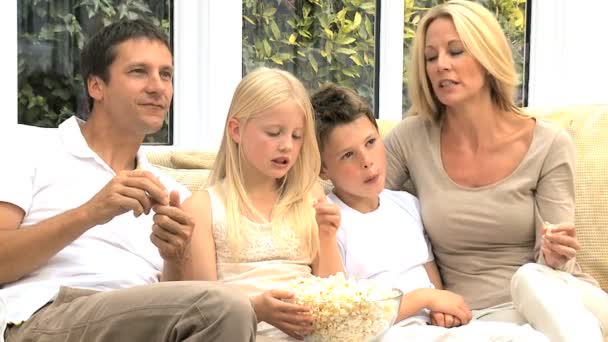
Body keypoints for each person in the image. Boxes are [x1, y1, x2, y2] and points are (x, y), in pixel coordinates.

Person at [0, 19, 257, 342]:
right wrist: (91, 212)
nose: (158, 87)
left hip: (141, 320)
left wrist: (174, 257)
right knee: (227, 304)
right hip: (48, 316)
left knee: (222, 307)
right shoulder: (30, 148)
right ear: (96, 86)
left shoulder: (170, 193)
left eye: (166, 74)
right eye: (139, 72)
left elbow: (180, 306)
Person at [383, 1, 608, 341]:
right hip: (481, 319)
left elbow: (556, 265)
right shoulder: (411, 139)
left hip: (559, 300)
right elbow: (355, 199)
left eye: (456, 51)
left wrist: (553, 254)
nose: (441, 65)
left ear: (488, 58)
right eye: (431, 57)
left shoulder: (548, 143)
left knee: (529, 279)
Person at [311, 82, 549, 341]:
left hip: (431, 329)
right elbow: (338, 315)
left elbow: (432, 279)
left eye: (370, 142)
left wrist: (441, 309)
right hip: (385, 334)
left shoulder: (406, 204)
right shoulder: (329, 220)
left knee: (529, 337)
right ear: (323, 169)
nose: (366, 161)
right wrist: (426, 298)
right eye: (347, 155)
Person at [180, 67, 343, 341]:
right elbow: (203, 312)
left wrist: (327, 236)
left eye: (296, 135)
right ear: (236, 130)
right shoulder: (202, 207)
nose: (287, 147)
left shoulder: (309, 196)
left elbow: (336, 296)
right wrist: (257, 310)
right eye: (274, 132)